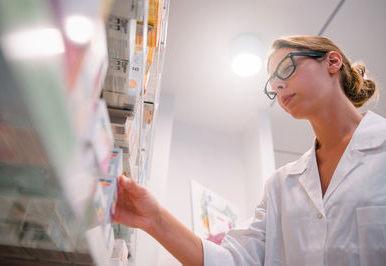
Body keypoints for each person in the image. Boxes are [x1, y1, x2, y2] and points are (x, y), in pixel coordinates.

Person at [113, 35, 386, 266]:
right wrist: (154, 219)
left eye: (286, 69)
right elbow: (233, 260)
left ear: (332, 62)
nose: (278, 86)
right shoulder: (282, 185)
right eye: (272, 83)